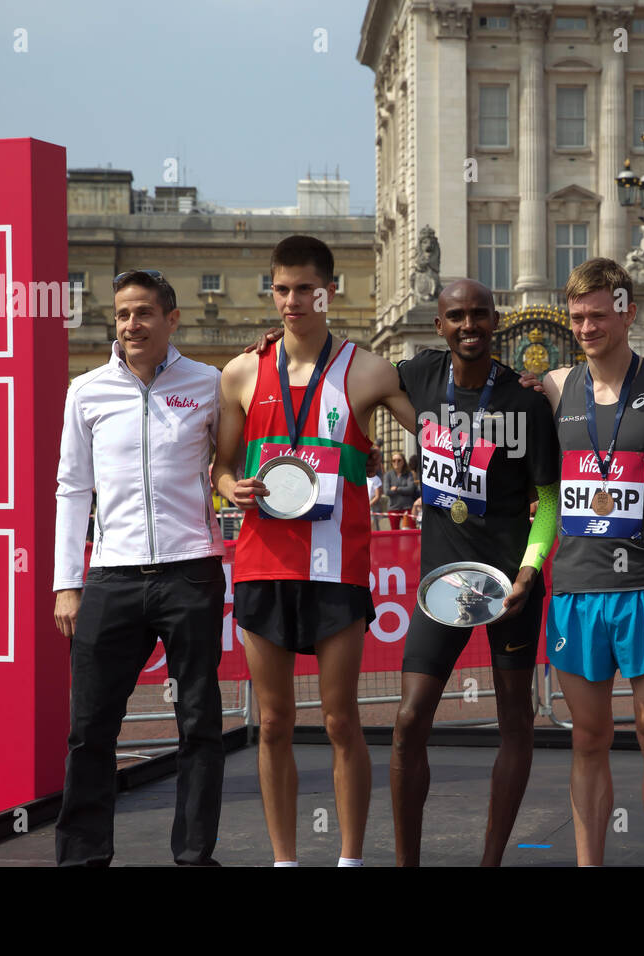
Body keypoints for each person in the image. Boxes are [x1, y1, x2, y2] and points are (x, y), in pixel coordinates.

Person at [213, 235, 416, 867]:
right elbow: (219, 468)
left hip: (337, 567)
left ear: (329, 291)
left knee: (340, 720)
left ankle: (350, 858)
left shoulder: (370, 368)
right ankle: (285, 859)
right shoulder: (242, 371)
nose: (293, 300)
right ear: (271, 292)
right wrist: (231, 486)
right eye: (282, 289)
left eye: (306, 288)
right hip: (262, 564)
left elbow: (440, 431)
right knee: (272, 724)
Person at [52, 269, 227, 866]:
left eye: (145, 313)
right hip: (111, 578)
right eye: (123, 314)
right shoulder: (87, 390)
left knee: (200, 724)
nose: (132, 325)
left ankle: (195, 855)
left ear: (171, 319)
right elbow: (72, 489)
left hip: (191, 571)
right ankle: (82, 857)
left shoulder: (210, 383)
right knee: (90, 728)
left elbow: (230, 465)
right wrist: (66, 584)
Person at [388, 278, 561, 867]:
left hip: (510, 585)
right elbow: (343, 365)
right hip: (444, 583)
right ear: (439, 325)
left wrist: (531, 570)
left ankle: (491, 860)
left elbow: (549, 498)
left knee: (516, 719)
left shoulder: (526, 400)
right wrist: (279, 340)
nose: (470, 325)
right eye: (456, 315)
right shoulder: (418, 375)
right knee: (410, 720)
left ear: (496, 320)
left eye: (480, 315)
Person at [534, 258, 644, 867]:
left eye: (599, 314)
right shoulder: (550, 389)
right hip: (576, 589)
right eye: (576, 316)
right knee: (588, 739)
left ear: (627, 310)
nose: (586, 326)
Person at [382, 451, 418, 529]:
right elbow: (387, 491)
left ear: (403, 462)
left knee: (411, 531)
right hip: (393, 508)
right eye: (394, 460)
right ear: (391, 462)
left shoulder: (409, 474)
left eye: (399, 460)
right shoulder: (388, 475)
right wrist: (404, 489)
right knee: (394, 533)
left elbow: (411, 489)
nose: (396, 462)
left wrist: (397, 489)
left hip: (407, 507)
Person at [366, 445, 386, 530]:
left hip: (373, 508)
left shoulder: (376, 479)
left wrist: (368, 504)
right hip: (365, 507)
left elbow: (378, 496)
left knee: (374, 527)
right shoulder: (363, 477)